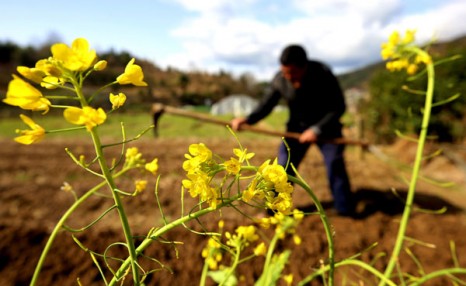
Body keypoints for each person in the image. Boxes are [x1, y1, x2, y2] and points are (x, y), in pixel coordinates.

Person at [231, 44, 355, 216]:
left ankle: (345, 209)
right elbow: (267, 104)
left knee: (335, 164)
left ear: (305, 66)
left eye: (293, 73)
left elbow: (338, 107)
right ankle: (273, 210)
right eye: (285, 72)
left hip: (327, 129)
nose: (289, 77)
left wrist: (316, 130)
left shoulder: (322, 74)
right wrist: (248, 119)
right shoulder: (280, 79)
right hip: (295, 129)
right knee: (283, 167)